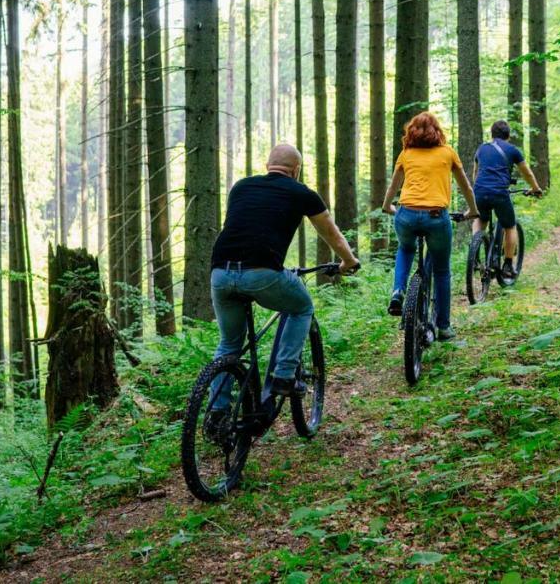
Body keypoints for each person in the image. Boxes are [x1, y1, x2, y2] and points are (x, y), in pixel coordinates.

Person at [208, 144, 359, 410]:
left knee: (229, 344)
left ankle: (217, 413)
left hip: (220, 273)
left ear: (268, 165)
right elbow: (332, 234)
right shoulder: (302, 193)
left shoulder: (241, 187)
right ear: (296, 170)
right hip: (261, 273)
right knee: (302, 307)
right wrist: (348, 261)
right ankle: (284, 376)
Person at [380, 112, 480, 340]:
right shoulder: (447, 153)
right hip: (436, 216)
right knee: (442, 269)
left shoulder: (406, 154)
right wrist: (472, 210)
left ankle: (398, 291)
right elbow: (466, 186)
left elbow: (393, 188)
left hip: (406, 213)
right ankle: (443, 327)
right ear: (437, 131)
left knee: (405, 249)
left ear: (411, 132)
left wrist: (388, 207)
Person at [472, 120, 543, 282]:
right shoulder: (512, 150)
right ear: (508, 135)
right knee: (510, 226)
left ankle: (474, 252)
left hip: (480, 191)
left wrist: (479, 190)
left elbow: (475, 174)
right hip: (499, 192)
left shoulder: (482, 148)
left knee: (479, 220)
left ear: (492, 134)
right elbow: (527, 173)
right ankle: (508, 265)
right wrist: (535, 188)